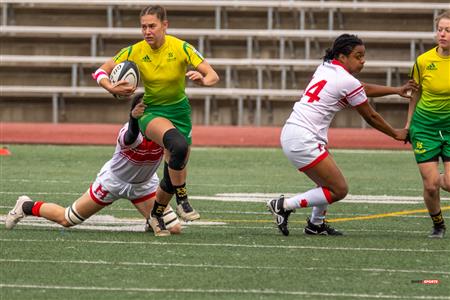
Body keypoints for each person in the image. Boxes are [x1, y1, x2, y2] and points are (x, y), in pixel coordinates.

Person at [267, 34, 418, 236]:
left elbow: (361, 88)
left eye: (363, 56)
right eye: (358, 56)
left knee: (326, 185)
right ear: (342, 56)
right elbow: (371, 116)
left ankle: (315, 224)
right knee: (339, 190)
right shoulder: (346, 80)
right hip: (303, 138)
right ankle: (284, 205)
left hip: (295, 132)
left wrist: (396, 90)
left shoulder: (326, 68)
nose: (363, 60)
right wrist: (396, 133)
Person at [92, 5, 219, 232]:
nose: (147, 31)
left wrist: (202, 79)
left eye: (152, 26)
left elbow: (212, 75)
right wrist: (111, 86)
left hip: (180, 112)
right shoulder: (135, 51)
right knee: (177, 145)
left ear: (165, 26)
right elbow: (100, 71)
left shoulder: (181, 47)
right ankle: (183, 199)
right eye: (143, 27)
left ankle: (156, 215)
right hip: (150, 111)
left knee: (173, 170)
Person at [5, 94, 181, 237]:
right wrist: (133, 119)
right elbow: (130, 137)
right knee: (67, 219)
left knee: (174, 228)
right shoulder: (130, 131)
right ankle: (26, 206)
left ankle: (150, 221)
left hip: (144, 185)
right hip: (113, 182)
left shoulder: (164, 133)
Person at [404, 11, 450, 239]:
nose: (442, 34)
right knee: (431, 186)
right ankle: (438, 225)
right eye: (440, 29)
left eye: (448, 30)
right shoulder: (423, 61)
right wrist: (408, 125)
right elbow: (415, 94)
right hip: (425, 128)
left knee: (449, 183)